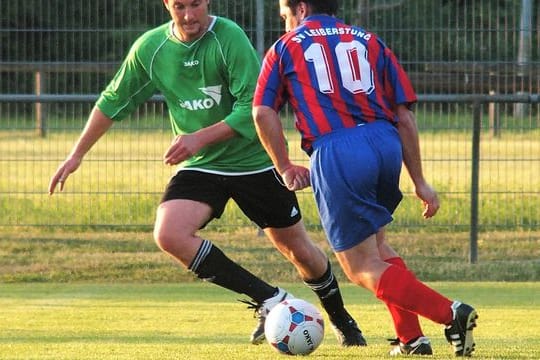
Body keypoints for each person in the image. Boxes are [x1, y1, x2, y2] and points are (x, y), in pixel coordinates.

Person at [48, 0, 366, 348]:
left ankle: (342, 320)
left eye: (196, 4)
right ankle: (271, 300)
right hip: (202, 165)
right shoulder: (151, 48)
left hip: (255, 161)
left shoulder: (228, 37)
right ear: (167, 4)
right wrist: (76, 155)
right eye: (179, 6)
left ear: (208, 2)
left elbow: (254, 110)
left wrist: (198, 137)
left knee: (298, 250)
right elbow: (114, 99)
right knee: (169, 233)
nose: (189, 15)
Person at [253, 0, 478, 356]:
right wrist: (419, 180)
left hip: (339, 149)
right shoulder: (370, 41)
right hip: (385, 143)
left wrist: (284, 166)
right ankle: (411, 339)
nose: (284, 24)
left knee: (359, 267)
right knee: (379, 249)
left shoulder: (286, 46)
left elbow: (262, 111)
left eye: (284, 16)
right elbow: (404, 115)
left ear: (300, 7)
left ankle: (450, 313)